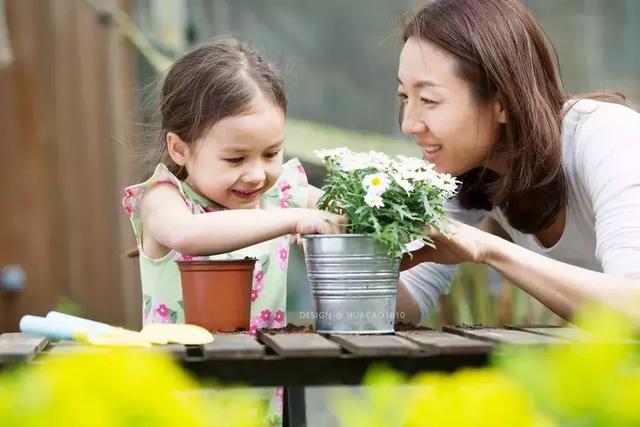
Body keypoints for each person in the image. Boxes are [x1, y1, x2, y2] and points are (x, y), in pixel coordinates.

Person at [394, 0, 640, 324]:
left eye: (429, 100)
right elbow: (405, 306)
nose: (409, 124)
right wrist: (327, 242)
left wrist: (489, 250)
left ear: (502, 103)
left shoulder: (609, 136)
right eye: (404, 97)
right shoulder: (467, 170)